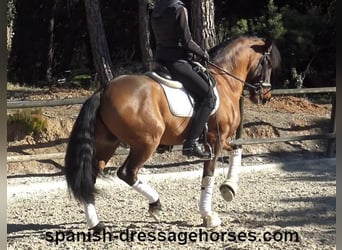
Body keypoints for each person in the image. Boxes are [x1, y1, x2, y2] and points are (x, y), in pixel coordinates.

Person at [151, 0, 216, 158]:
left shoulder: (155, 10)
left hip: (159, 62)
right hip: (177, 63)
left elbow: (152, 41)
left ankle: (166, 141)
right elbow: (186, 41)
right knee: (208, 97)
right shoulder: (178, 9)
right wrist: (203, 53)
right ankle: (191, 143)